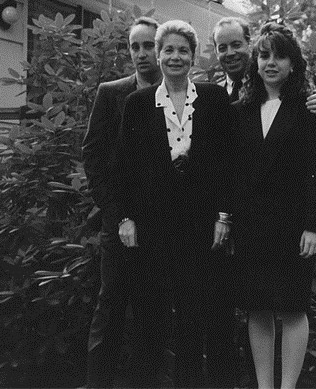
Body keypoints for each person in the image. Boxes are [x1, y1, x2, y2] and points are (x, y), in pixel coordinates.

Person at [109, 19, 234, 388]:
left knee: (193, 321)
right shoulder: (138, 103)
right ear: (158, 55)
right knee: (149, 321)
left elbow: (228, 164)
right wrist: (125, 219)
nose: (175, 57)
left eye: (183, 50)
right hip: (151, 229)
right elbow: (122, 168)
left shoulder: (213, 99)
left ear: (193, 57)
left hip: (200, 230)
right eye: (168, 50)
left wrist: (224, 217)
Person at [230, 22, 316, 389]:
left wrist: (313, 226)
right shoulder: (240, 110)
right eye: (264, 55)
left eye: (280, 56)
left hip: (293, 227)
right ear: (256, 62)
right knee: (257, 309)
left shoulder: (310, 109)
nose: (271, 62)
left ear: (293, 64)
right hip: (251, 226)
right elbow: (233, 173)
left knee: (292, 308)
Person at [82, 16, 165, 388]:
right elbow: (93, 157)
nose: (142, 53)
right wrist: (115, 214)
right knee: (110, 307)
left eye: (149, 45)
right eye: (135, 46)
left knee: (153, 313)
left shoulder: (179, 93)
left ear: (162, 50)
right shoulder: (111, 93)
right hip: (118, 222)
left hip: (163, 224)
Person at [212, 16, 316, 124]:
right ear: (216, 51)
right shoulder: (213, 97)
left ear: (249, 44)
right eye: (222, 48)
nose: (230, 53)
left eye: (236, 45)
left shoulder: (303, 100)